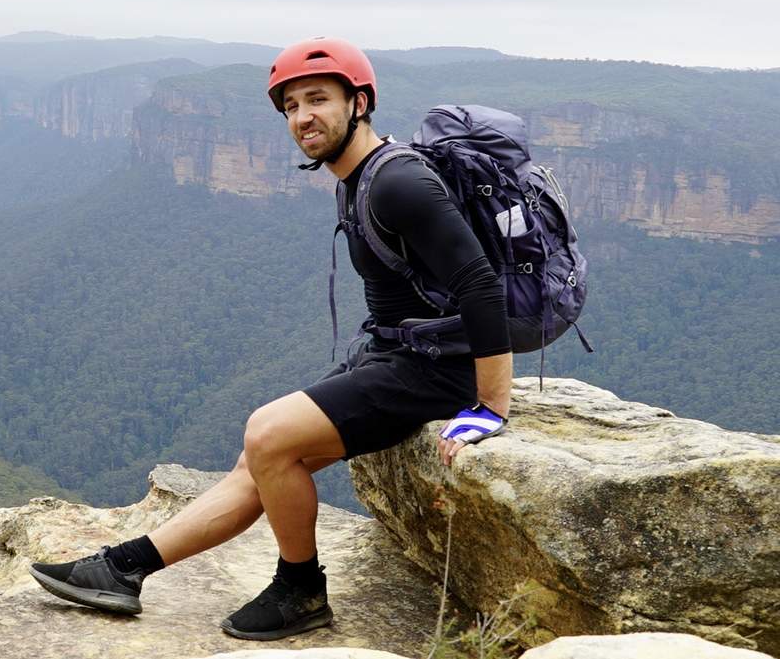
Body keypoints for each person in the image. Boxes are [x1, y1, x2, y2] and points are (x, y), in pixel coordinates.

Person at [30, 36, 513, 641]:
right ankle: (122, 568)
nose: (302, 116)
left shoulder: (397, 182)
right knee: (260, 458)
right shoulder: (358, 175)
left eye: (318, 99)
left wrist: (490, 406)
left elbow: (481, 285)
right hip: (398, 353)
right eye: (290, 106)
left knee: (268, 431)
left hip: (437, 368)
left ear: (359, 102)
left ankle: (301, 589)